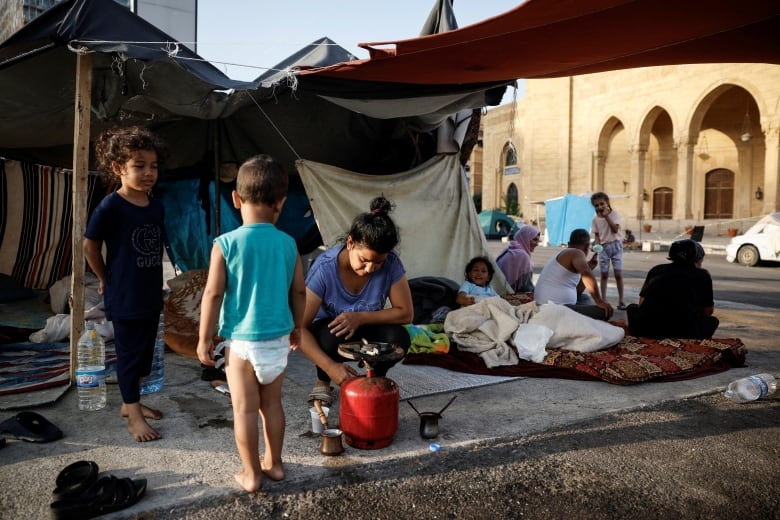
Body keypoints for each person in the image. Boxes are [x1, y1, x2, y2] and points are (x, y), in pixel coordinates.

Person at [197, 155, 305, 493]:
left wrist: (204, 338)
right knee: (272, 404)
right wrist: (298, 326)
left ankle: (251, 474)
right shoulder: (289, 244)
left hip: (241, 344)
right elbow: (299, 290)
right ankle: (275, 464)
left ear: (235, 199)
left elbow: (213, 294)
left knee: (244, 410)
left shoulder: (225, 244)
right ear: (281, 203)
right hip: (277, 341)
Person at [83, 126, 168, 443]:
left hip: (149, 294)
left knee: (144, 355)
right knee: (129, 355)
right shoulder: (111, 207)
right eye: (139, 166)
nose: (148, 173)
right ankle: (133, 416)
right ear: (119, 169)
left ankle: (129, 403)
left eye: (153, 166)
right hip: (125, 295)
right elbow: (90, 246)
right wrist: (105, 278)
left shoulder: (155, 205)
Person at [299, 196, 413, 407]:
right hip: (331, 334)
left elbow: (406, 313)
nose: (371, 269)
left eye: (379, 262)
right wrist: (331, 367)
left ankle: (375, 376)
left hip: (366, 326)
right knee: (331, 336)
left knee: (399, 338)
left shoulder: (392, 263)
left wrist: (359, 317)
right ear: (350, 243)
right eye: (364, 260)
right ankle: (323, 379)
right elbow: (298, 329)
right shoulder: (325, 269)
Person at [626, 239, 718, 339]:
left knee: (632, 308)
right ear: (696, 259)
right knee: (712, 321)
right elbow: (708, 311)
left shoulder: (656, 270)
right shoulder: (703, 275)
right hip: (685, 332)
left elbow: (641, 303)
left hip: (648, 330)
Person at [534, 228, 614, 320]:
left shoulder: (565, 254)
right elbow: (586, 274)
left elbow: (577, 291)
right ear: (587, 246)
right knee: (605, 311)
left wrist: (590, 267)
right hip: (554, 308)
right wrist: (599, 301)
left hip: (550, 305)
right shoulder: (576, 253)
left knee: (584, 297)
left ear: (569, 244)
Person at [590, 192, 626, 309]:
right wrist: (596, 247)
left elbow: (615, 230)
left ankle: (621, 300)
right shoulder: (595, 219)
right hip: (603, 248)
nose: (599, 207)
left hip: (616, 246)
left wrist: (606, 216)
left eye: (602, 204)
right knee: (604, 275)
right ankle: (603, 299)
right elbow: (597, 236)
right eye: (596, 205)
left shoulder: (614, 214)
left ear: (607, 203)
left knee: (618, 274)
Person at [495, 225, 540, 293]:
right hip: (506, 293)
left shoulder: (511, 249)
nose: (537, 244)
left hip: (498, 290)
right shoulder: (521, 255)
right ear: (525, 238)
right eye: (534, 240)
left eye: (538, 240)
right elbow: (526, 286)